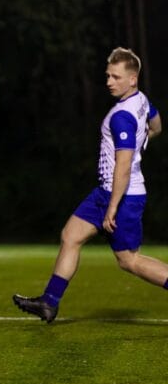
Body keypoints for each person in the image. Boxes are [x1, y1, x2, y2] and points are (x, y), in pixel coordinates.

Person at [13, 47, 164, 323]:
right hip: (105, 193)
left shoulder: (122, 117)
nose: (108, 82)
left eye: (115, 77)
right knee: (71, 235)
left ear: (132, 79)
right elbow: (157, 124)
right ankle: (49, 302)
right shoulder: (141, 101)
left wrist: (112, 208)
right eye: (107, 75)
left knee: (129, 261)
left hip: (122, 197)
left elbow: (123, 166)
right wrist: (146, 139)